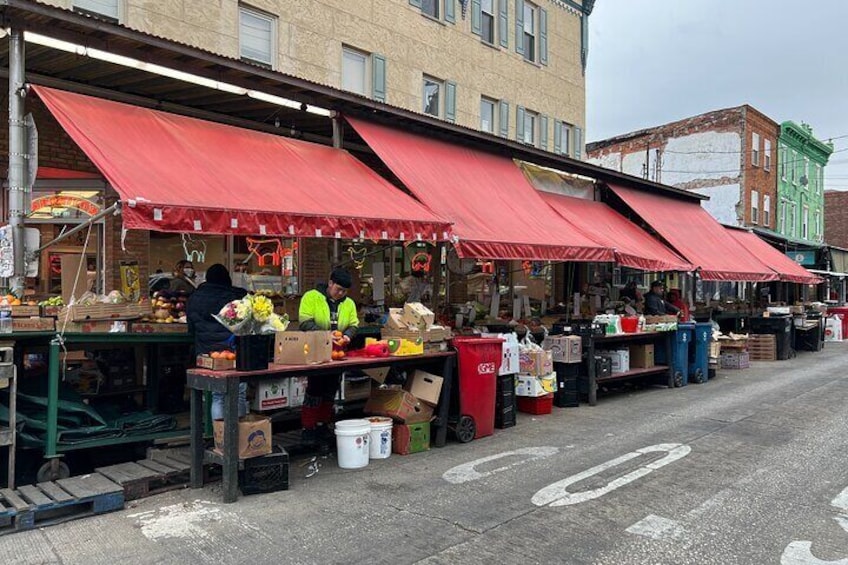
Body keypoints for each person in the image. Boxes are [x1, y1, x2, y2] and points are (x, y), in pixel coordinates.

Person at [298, 267, 359, 446]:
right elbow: (305, 322)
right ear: (330, 283)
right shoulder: (311, 297)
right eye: (338, 289)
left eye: (344, 291)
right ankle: (308, 429)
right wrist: (325, 335)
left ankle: (323, 425)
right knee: (314, 389)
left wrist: (348, 334)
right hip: (315, 351)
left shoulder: (349, 303)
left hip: (337, 353)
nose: (341, 293)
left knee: (330, 390)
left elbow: (354, 323)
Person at [186, 264, 248, 419]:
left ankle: (219, 436)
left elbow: (191, 328)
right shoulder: (236, 297)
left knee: (217, 395)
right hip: (232, 352)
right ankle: (237, 433)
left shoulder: (194, 298)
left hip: (207, 354)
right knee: (238, 392)